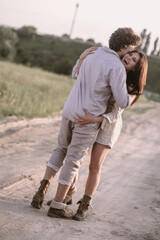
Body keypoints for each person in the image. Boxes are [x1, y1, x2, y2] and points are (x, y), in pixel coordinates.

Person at [31, 27, 142, 219]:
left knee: (60, 149)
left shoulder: (92, 52)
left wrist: (81, 58)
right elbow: (123, 102)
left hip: (69, 110)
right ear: (124, 46)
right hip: (87, 118)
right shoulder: (116, 66)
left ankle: (41, 191)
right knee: (73, 160)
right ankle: (57, 205)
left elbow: (76, 73)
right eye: (131, 47)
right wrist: (132, 93)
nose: (131, 51)